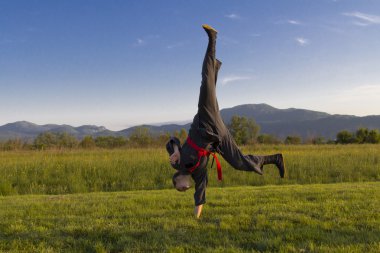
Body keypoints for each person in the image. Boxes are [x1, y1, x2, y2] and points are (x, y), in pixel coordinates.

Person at [166, 24, 285, 219]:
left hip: (205, 118)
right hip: (218, 137)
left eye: (180, 189)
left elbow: (171, 140)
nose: (184, 190)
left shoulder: (175, 162)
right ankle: (274, 159)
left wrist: (177, 150)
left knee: (206, 82)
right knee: (240, 163)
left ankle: (213, 39)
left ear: (177, 180)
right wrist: (196, 218)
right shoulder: (199, 176)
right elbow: (200, 197)